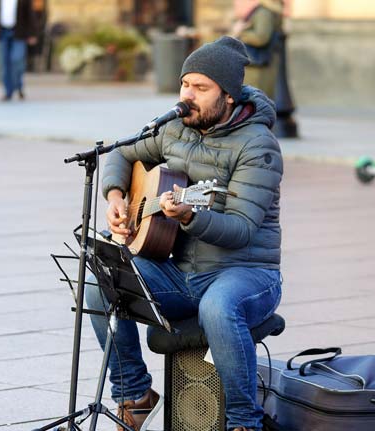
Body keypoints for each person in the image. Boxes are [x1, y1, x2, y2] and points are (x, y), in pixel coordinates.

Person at [85, 36, 283, 431]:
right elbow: (123, 153)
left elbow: (243, 229)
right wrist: (116, 196)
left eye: (201, 88)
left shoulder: (259, 146)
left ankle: (244, 422)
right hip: (182, 273)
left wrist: (191, 217)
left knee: (218, 307)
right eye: (185, 84)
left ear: (227, 96)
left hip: (247, 272)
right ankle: (134, 394)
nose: (187, 96)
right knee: (100, 282)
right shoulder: (175, 126)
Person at [232, 0, 283, 99]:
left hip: (257, 64)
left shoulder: (263, 12)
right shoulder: (270, 10)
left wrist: (240, 32)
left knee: (255, 99)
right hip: (261, 62)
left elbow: (261, 38)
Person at [0, 0, 37, 101]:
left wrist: (32, 34)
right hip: (3, 32)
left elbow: (30, 14)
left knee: (17, 59)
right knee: (5, 62)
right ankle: (8, 91)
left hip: (19, 32)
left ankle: (18, 85)